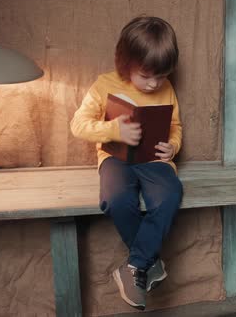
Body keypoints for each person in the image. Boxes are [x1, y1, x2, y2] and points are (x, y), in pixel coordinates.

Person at [70, 16, 183, 310]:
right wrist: (113, 130)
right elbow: (78, 125)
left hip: (154, 160)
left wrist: (173, 147)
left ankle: (133, 266)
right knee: (116, 200)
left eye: (161, 75)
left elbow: (175, 126)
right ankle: (149, 262)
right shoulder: (103, 84)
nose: (154, 83)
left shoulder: (166, 86)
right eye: (146, 75)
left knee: (169, 196)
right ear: (126, 62)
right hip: (115, 159)